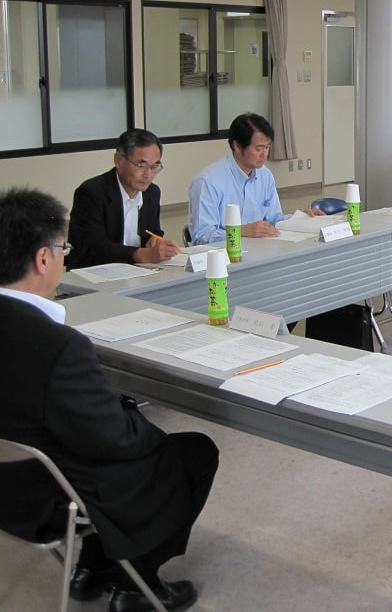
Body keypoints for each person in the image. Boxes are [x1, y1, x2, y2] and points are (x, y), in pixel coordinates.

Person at [0, 188, 218, 612]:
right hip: (48, 492)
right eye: (63, 250)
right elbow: (114, 440)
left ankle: (92, 568)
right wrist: (139, 421)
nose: (63, 258)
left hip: (10, 478)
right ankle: (137, 584)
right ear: (43, 259)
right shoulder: (58, 347)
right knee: (191, 452)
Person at [188, 113, 323, 245]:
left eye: (267, 147)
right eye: (258, 149)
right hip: (224, 254)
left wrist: (300, 219)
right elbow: (201, 238)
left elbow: (273, 220)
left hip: (260, 250)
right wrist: (240, 231)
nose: (264, 154)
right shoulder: (207, 182)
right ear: (237, 146)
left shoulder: (265, 175)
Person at [66, 129, 180, 269]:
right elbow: (92, 249)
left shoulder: (152, 193)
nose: (148, 175)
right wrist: (142, 254)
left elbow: (154, 231)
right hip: (96, 273)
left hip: (139, 271)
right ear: (118, 160)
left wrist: (156, 240)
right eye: (141, 166)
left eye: (154, 167)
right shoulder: (91, 193)